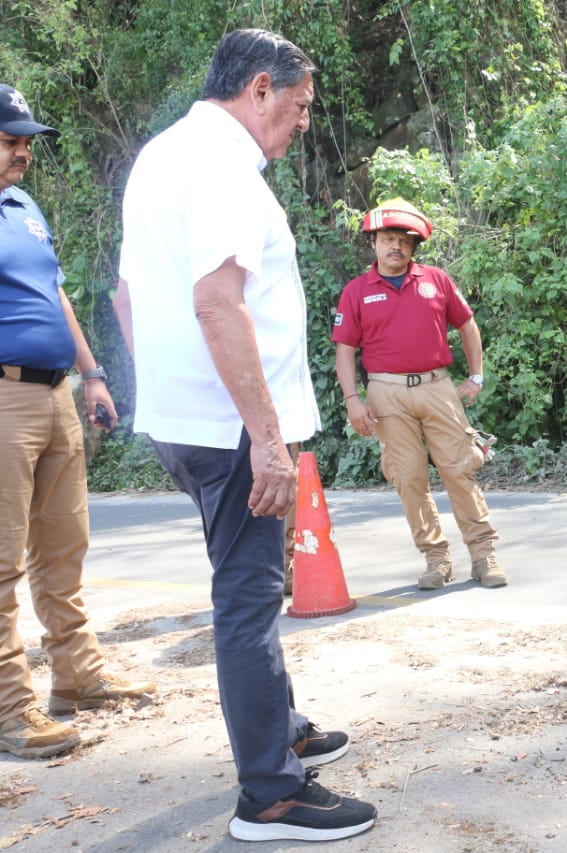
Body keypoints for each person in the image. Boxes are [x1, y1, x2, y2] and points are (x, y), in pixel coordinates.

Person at [113, 30, 377, 841]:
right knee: (251, 598)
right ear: (259, 89)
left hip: (186, 418)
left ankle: (282, 724)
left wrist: (161, 391)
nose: (302, 124)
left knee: (246, 583)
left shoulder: (162, 155)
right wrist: (267, 439)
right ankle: (271, 793)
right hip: (233, 428)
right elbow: (218, 303)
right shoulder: (223, 166)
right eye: (298, 107)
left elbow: (127, 296)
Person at [0, 85, 155, 760]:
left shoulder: (25, 207)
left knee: (64, 547)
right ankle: (10, 709)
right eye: (10, 138)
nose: (23, 148)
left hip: (56, 393)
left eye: (26, 138)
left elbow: (53, 291)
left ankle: (76, 675)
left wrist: (91, 373)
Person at [333, 198, 505, 591]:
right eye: (389, 239)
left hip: (437, 386)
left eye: (405, 241)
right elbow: (345, 350)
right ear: (374, 243)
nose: (397, 246)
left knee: (459, 468)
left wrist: (475, 377)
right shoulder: (356, 292)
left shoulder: (436, 280)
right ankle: (436, 560)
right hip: (385, 393)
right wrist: (353, 401)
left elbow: (468, 325)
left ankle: (483, 555)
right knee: (408, 477)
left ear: (413, 247)